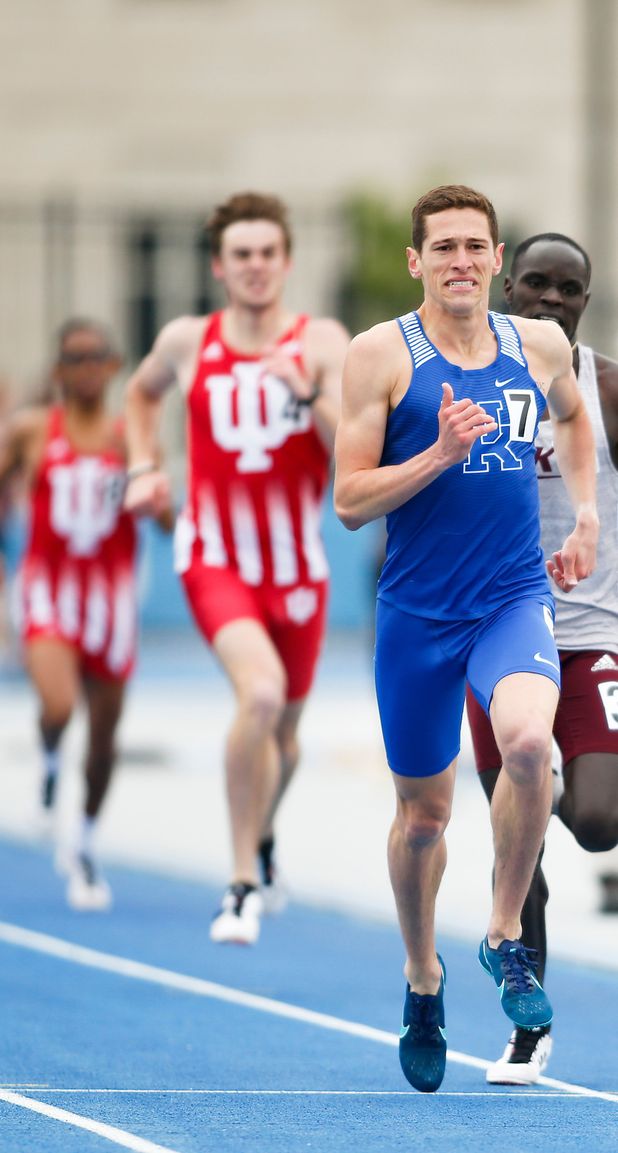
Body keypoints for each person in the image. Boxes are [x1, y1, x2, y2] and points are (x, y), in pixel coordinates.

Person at [334, 185, 599, 1093]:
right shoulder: (380, 357)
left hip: (512, 595)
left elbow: (572, 416)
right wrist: (439, 455)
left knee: (530, 745)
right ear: (417, 262)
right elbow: (349, 500)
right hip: (416, 612)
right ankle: (422, 978)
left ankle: (500, 938)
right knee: (425, 819)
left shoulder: (539, 344)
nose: (459, 261)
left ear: (496, 260)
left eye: (474, 247)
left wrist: (588, 517)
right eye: (441, 246)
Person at [464, 233, 618, 1084]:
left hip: (591, 638)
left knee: (597, 824)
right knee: (524, 857)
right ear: (504, 285)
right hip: (492, 635)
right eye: (535, 285)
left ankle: (528, 812)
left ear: (586, 303)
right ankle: (529, 1026)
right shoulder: (460, 379)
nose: (549, 302)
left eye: (568, 290)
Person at [124, 192, 349, 945]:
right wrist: (142, 468)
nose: (255, 267)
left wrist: (307, 391)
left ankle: (262, 835)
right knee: (259, 697)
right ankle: (240, 881)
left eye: (267, 253)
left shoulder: (320, 341)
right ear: (220, 266)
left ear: (286, 262)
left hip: (298, 568)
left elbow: (352, 450)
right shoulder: (190, 339)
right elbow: (140, 392)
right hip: (214, 554)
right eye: (241, 255)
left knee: (285, 737)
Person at [0, 319, 167, 910]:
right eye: (76, 357)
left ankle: (86, 842)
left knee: (102, 741)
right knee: (58, 704)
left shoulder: (132, 441)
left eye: (98, 356)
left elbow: (165, 518)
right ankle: (48, 756)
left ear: (115, 365)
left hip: (111, 600)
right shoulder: (29, 433)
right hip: (47, 588)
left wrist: (160, 503)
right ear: (58, 371)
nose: (88, 367)